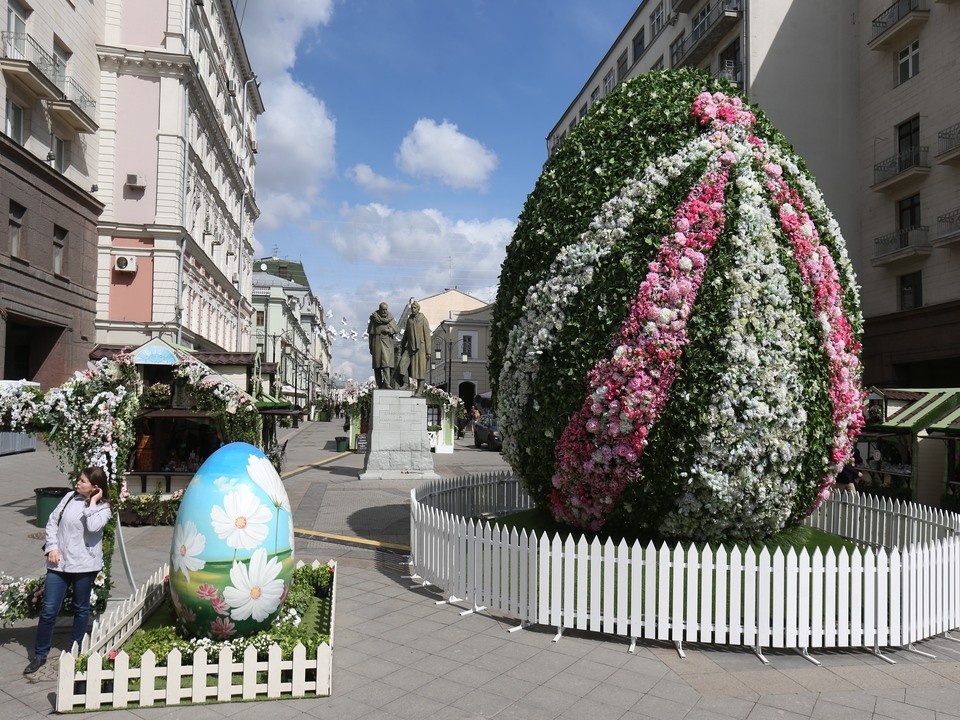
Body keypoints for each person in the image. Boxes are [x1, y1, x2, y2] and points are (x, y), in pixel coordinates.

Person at [24, 467, 112, 675]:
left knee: (80, 609)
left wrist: (91, 503)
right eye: (78, 480)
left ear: (95, 487)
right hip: (59, 564)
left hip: (84, 566)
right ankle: (40, 654)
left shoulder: (104, 508)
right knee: (48, 610)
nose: (77, 484)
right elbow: (52, 522)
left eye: (82, 481)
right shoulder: (67, 498)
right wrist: (52, 547)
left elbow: (92, 527)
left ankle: (75, 651)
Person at [400, 301, 431, 396]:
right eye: (412, 308)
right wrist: (402, 345)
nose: (413, 310)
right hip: (409, 346)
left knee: (420, 369)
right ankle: (406, 383)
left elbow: (427, 336)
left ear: (418, 308)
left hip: (421, 347)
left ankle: (420, 390)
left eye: (415, 308)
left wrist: (428, 351)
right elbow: (406, 334)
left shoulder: (423, 319)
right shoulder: (409, 320)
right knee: (402, 365)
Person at [367, 302, 399, 389]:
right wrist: (370, 346)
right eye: (383, 310)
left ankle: (387, 383)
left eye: (386, 309)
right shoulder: (374, 318)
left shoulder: (390, 318)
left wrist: (389, 330)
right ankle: (379, 384)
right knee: (377, 365)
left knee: (386, 364)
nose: (384, 312)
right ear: (379, 309)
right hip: (376, 342)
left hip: (387, 342)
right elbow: (370, 334)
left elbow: (396, 329)